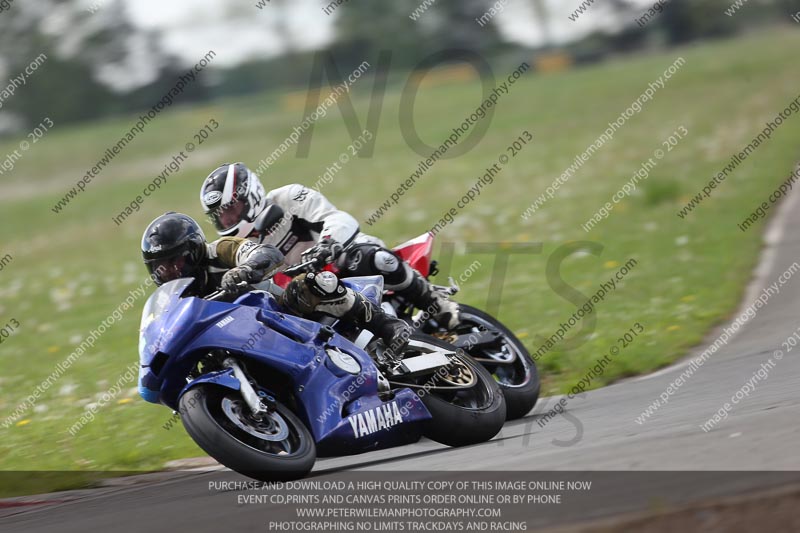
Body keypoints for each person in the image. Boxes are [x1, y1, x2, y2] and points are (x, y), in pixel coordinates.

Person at [198, 162, 460, 329]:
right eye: (219, 215)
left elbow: (337, 218)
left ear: (250, 195)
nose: (227, 219)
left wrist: (328, 244)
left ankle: (436, 303)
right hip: (309, 294)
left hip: (340, 262)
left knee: (371, 259)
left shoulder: (288, 197)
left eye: (230, 209)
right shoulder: (233, 246)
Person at [140, 212, 410, 347]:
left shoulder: (218, 250)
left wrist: (244, 270)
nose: (172, 271)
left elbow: (266, 252)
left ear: (195, 250)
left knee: (315, 281)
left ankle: (387, 325)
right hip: (239, 336)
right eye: (162, 267)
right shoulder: (176, 298)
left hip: (280, 308)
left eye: (177, 260)